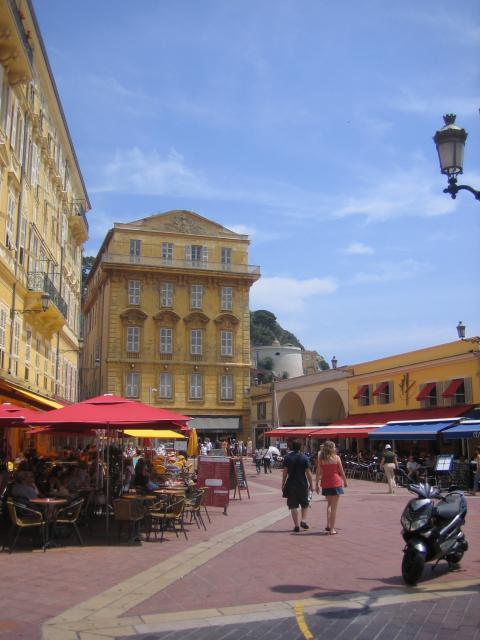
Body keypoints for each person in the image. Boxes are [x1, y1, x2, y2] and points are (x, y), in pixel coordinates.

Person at [315, 441, 347, 535]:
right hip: (336, 483)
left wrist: (316, 484)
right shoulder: (336, 458)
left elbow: (318, 472)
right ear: (331, 448)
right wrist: (345, 482)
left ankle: (328, 524)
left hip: (326, 483)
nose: (335, 448)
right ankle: (332, 529)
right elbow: (341, 472)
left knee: (329, 505)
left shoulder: (321, 459)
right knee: (334, 508)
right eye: (334, 447)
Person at [282, 440, 313, 533]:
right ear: (300, 447)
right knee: (305, 503)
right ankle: (303, 520)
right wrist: (311, 484)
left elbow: (285, 472)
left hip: (291, 484)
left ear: (292, 447)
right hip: (302, 484)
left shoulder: (287, 457)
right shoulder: (304, 457)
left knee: (293, 505)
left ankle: (296, 526)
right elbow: (308, 473)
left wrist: (283, 483)